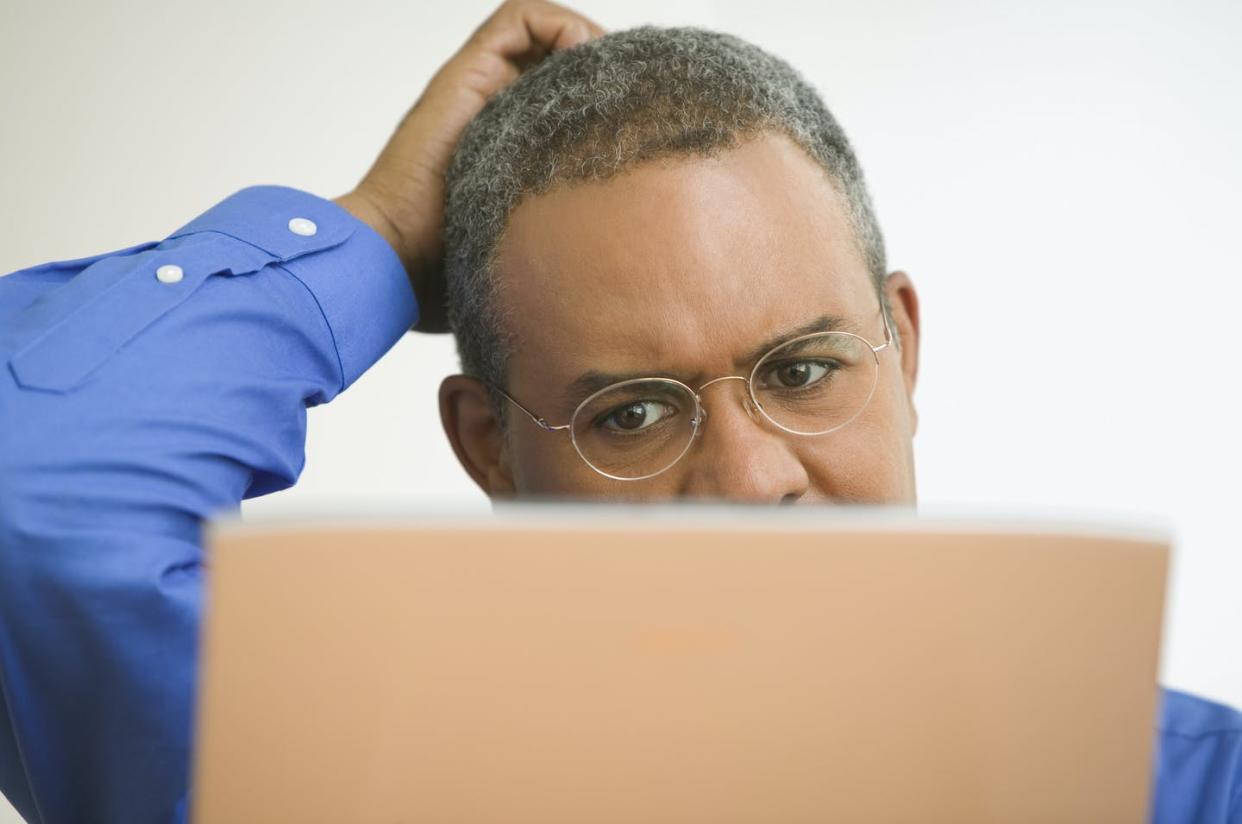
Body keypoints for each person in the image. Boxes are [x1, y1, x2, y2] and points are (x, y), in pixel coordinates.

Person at [0, 2, 1237, 821]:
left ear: (901, 350)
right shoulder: (345, 785)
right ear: (492, 447)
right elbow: (33, 497)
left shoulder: (1194, 790)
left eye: (805, 369)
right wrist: (373, 237)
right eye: (634, 415)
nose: (753, 484)